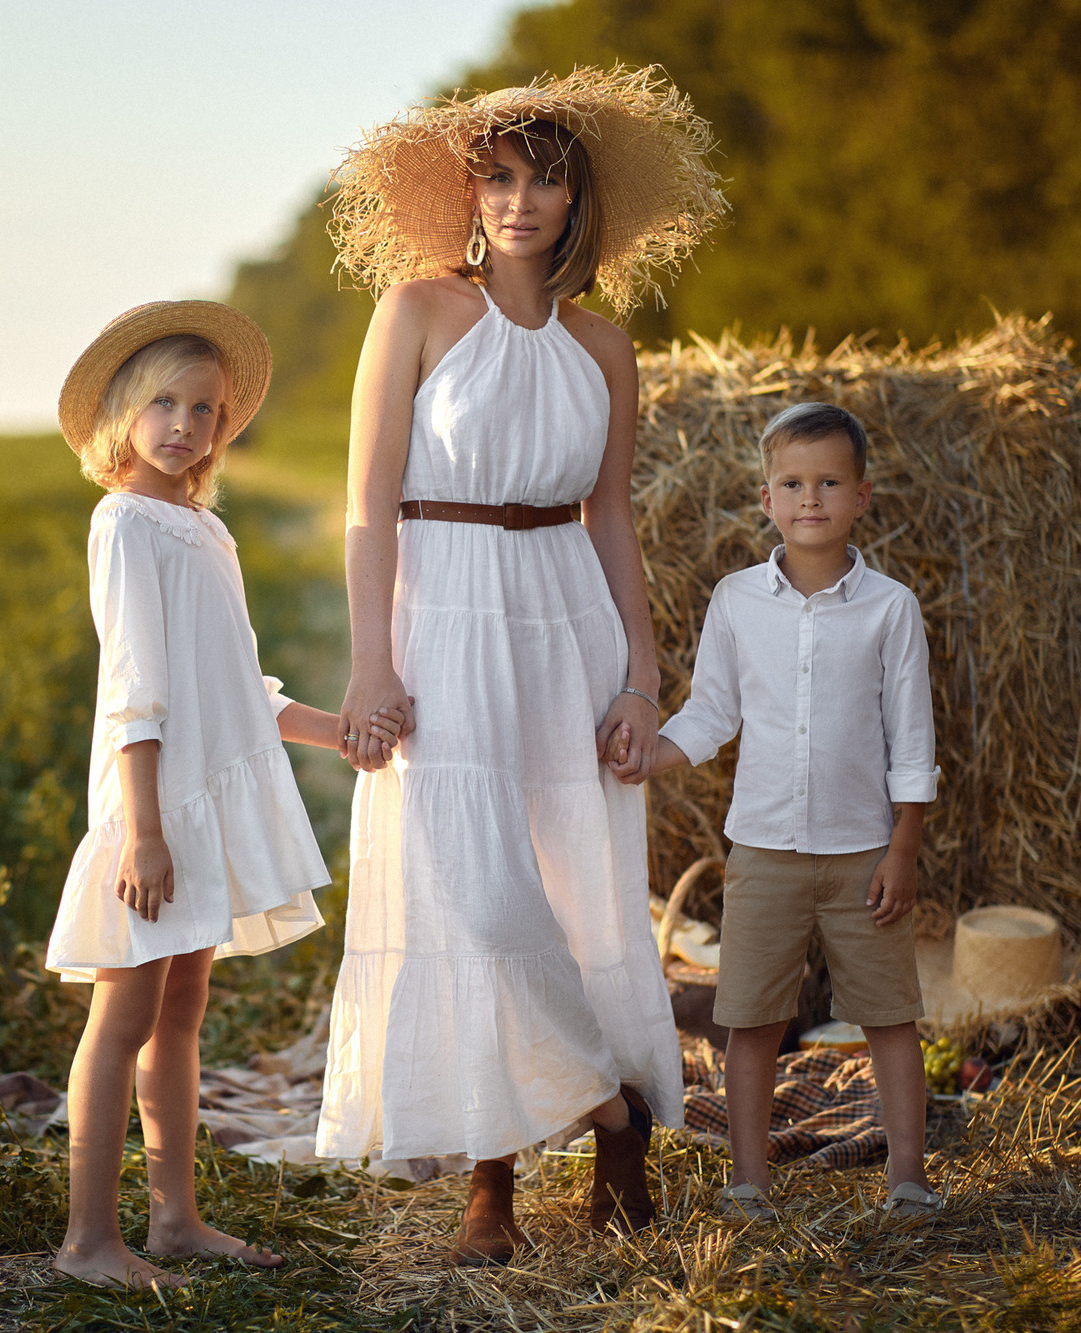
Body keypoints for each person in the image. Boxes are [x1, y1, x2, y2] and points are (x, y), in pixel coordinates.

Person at [315, 67, 727, 1263]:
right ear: (468, 193)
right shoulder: (415, 312)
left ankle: (504, 1192)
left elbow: (611, 522)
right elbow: (363, 508)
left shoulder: (605, 346)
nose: (518, 200)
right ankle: (606, 1110)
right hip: (438, 615)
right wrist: (367, 663)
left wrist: (642, 682)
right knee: (469, 895)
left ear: (574, 198)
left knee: (568, 885)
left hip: (562, 617)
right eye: (496, 176)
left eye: (542, 177)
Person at [44, 301, 402, 1288]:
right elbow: (135, 690)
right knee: (121, 1017)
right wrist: (143, 833)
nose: (183, 426)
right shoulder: (124, 525)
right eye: (161, 402)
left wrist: (335, 731)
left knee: (183, 1008)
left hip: (201, 796)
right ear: (118, 411)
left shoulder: (201, 526)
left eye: (203, 409)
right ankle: (87, 1241)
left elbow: (236, 682)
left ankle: (173, 1218)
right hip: (154, 807)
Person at [621, 401, 944, 1221]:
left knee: (889, 1016)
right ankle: (748, 1179)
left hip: (863, 852)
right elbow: (712, 710)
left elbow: (912, 739)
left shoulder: (890, 608)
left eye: (830, 482)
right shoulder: (736, 601)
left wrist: (903, 847)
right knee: (752, 1018)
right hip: (761, 848)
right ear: (766, 498)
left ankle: (908, 1177)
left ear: (862, 497)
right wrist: (653, 751)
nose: (812, 498)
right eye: (793, 483)